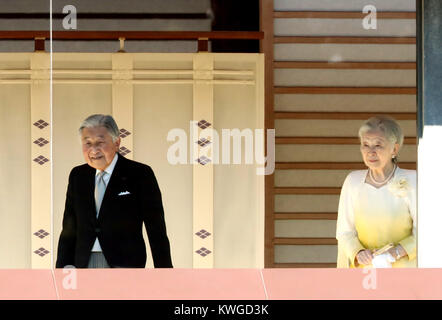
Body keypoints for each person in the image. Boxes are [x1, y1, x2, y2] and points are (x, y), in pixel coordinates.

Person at [56, 114, 173, 268]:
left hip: (125, 264)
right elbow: (69, 229)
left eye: (100, 142)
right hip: (83, 264)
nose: (93, 150)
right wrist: (62, 270)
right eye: (88, 143)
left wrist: (164, 273)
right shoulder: (78, 176)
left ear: (117, 142)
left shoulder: (140, 174)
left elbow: (156, 228)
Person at [336, 116, 416, 268]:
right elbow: (344, 232)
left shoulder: (413, 180)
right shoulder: (352, 181)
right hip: (364, 271)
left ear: (394, 149)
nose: (370, 152)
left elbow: (426, 231)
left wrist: (395, 253)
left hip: (405, 272)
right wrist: (358, 252)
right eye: (365, 145)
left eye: (378, 145)